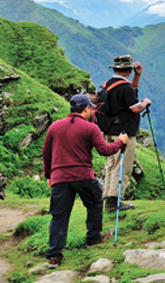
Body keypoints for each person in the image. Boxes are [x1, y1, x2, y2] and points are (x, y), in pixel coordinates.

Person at [42, 94, 128, 268]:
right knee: (95, 202)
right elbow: (104, 150)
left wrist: (49, 176)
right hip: (83, 175)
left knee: (59, 216)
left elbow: (46, 153)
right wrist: (121, 141)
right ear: (87, 108)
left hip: (60, 177)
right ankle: (93, 237)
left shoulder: (54, 127)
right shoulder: (90, 128)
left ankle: (54, 256)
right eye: (91, 108)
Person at [101, 55, 152, 213]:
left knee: (112, 164)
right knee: (123, 166)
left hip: (109, 131)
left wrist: (138, 76)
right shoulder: (125, 88)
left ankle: (108, 197)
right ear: (128, 70)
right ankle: (114, 202)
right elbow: (135, 107)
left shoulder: (109, 84)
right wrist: (145, 102)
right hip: (123, 134)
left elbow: (130, 93)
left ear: (115, 69)